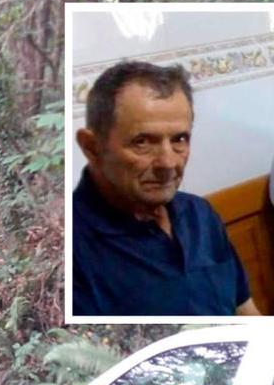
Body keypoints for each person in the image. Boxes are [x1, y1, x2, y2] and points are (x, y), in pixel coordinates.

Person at [73, 61, 260, 316]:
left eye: (179, 140)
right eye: (142, 142)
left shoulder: (200, 215)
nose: (168, 163)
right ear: (92, 147)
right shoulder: (72, 251)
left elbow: (244, 310)